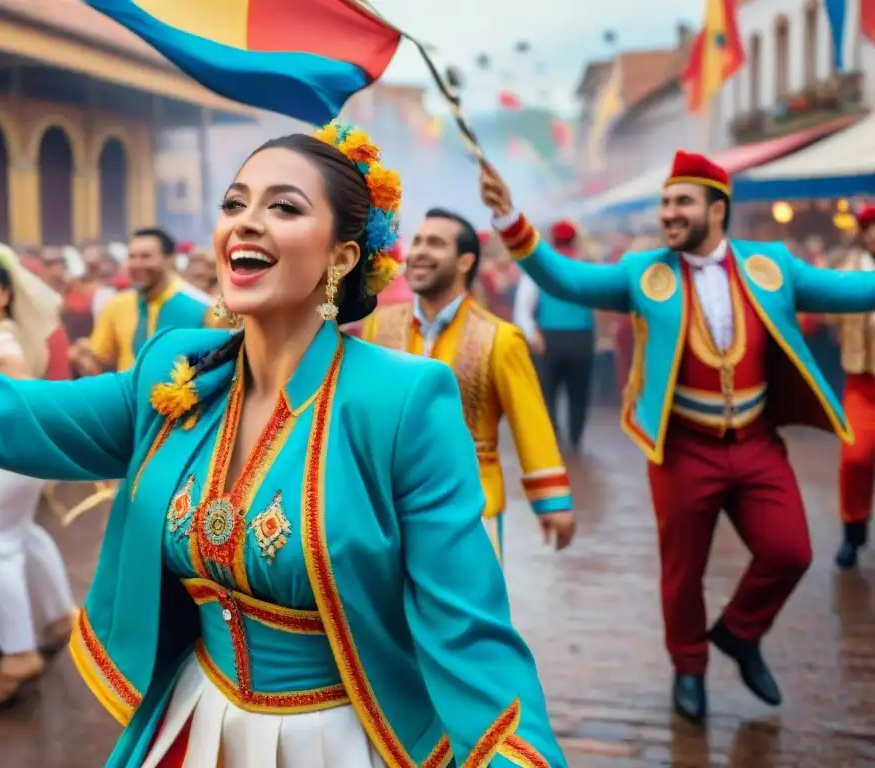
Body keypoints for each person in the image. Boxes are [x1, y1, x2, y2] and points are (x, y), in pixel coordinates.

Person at [0, 123, 568, 767]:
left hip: (341, 737)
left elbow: (468, 630)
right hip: (197, 722)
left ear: (343, 255)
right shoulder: (180, 370)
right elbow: (19, 416)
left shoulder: (402, 400)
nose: (246, 223)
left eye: (284, 208)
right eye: (234, 204)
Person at [479, 151, 875, 725]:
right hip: (683, 448)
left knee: (791, 551)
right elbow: (565, 278)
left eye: (681, 202)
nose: (668, 212)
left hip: (756, 444)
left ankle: (739, 632)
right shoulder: (644, 272)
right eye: (665, 202)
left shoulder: (772, 265)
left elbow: (853, 289)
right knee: (683, 572)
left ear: (717, 209)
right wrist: (509, 219)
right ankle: (688, 668)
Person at [361, 207, 574, 561]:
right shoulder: (378, 326)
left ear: (465, 261)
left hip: (471, 510)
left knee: (469, 597)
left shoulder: (500, 338)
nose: (419, 252)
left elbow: (530, 421)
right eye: (417, 241)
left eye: (435, 243)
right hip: (386, 508)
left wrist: (553, 501)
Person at [0, 238, 79, 711]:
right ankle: (59, 618)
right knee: (17, 531)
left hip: (15, 456)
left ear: (5, 294)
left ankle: (18, 653)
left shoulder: (2, 340)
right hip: (14, 457)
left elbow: (21, 394)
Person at [70, 227, 213, 375]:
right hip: (129, 389)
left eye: (146, 257)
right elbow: (100, 360)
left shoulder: (200, 307)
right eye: (132, 256)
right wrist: (81, 357)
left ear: (170, 260)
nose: (136, 264)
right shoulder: (117, 305)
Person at [512, 221, 597, 451]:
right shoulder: (587, 267)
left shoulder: (539, 268)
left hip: (549, 338)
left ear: (552, 239)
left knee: (547, 392)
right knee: (579, 393)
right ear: (575, 239)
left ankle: (554, 439)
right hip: (582, 338)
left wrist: (532, 335)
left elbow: (522, 309)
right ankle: (576, 440)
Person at [833, 204, 875, 569]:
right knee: (855, 458)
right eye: (870, 227)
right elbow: (826, 313)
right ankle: (853, 530)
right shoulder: (848, 270)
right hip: (863, 381)